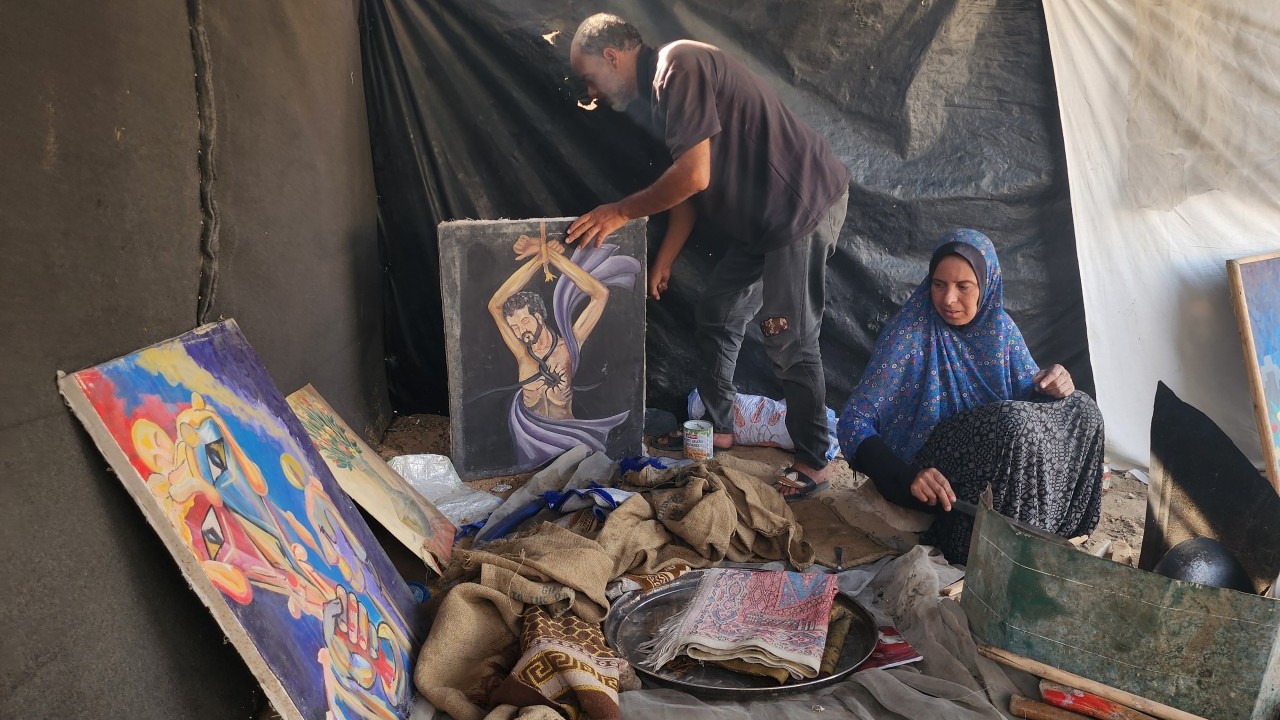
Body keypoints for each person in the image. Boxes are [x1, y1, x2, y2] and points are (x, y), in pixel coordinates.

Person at [566, 13, 850, 498]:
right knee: (718, 311)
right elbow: (691, 190)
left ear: (611, 56)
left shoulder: (680, 65)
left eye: (589, 77)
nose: (590, 93)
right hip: (762, 224)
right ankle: (718, 428)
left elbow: (692, 175)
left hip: (798, 208)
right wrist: (667, 258)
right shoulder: (660, 100)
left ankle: (814, 458)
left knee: (789, 337)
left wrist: (619, 212)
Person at [837, 230, 1104, 563]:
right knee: (1013, 424)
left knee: (1082, 410)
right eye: (939, 284)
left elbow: (1034, 401)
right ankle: (989, 548)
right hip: (935, 475)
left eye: (963, 287)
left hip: (994, 459)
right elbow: (853, 422)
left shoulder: (1001, 331)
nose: (948, 299)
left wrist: (1056, 382)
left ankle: (1060, 537)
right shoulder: (910, 334)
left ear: (986, 285)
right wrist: (906, 479)